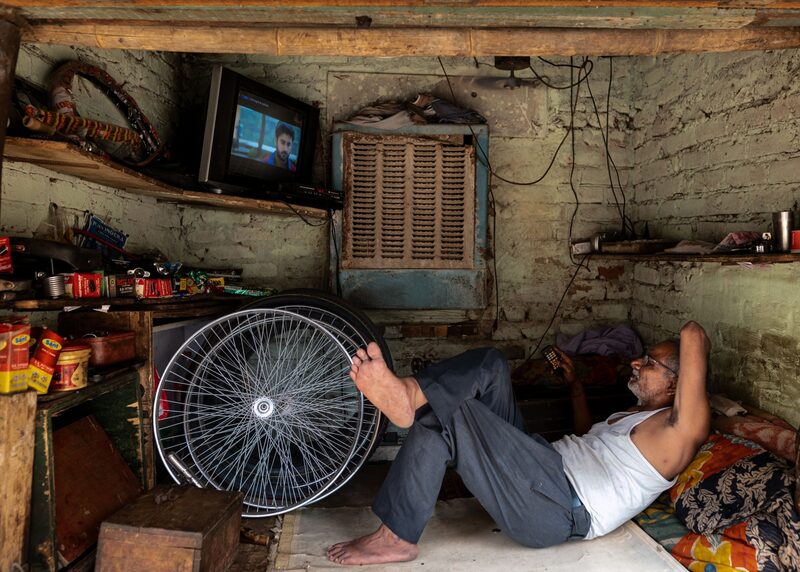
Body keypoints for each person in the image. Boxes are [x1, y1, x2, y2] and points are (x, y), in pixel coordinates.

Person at [327, 321, 710, 566]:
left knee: (451, 408)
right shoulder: (633, 416)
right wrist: (575, 384)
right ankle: (409, 395)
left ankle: (396, 535)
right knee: (492, 364)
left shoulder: (678, 432)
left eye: (650, 362)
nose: (636, 364)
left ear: (678, 384)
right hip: (542, 467)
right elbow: (585, 437)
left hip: (555, 507)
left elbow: (693, 333)